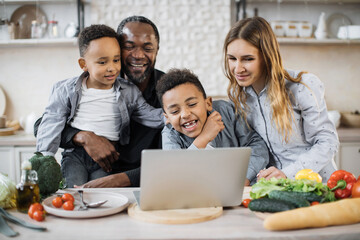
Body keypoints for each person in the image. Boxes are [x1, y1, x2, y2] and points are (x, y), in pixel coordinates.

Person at [35, 16, 165, 188]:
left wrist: (175, 115)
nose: (138, 55)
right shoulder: (74, 87)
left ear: (157, 50)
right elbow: (44, 124)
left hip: (141, 180)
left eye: (147, 48)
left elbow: (174, 154)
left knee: (97, 199)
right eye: (129, 47)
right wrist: (83, 137)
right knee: (73, 195)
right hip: (79, 159)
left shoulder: (167, 90)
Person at [223, 17, 339, 182]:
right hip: (274, 188)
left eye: (248, 59)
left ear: (266, 56)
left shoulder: (301, 86)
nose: (238, 68)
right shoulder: (237, 96)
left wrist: (288, 173)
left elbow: (327, 142)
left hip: (315, 185)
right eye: (232, 59)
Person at [156, 68, 269, 185]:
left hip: (238, 189)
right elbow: (175, 174)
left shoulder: (226, 111)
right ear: (167, 118)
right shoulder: (170, 134)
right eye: (174, 111)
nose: (185, 114)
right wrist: (203, 138)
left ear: (208, 103)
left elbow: (257, 146)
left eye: (192, 104)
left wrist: (243, 179)